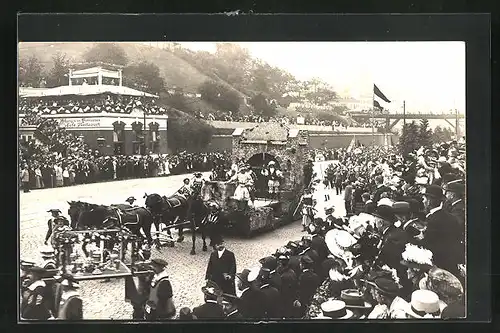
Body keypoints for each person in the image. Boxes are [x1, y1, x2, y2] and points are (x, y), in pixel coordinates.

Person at [421, 185, 464, 277]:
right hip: (452, 261)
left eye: (424, 198)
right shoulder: (450, 217)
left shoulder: (433, 219)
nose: (423, 201)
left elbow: (429, 243)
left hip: (440, 264)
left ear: (430, 201)